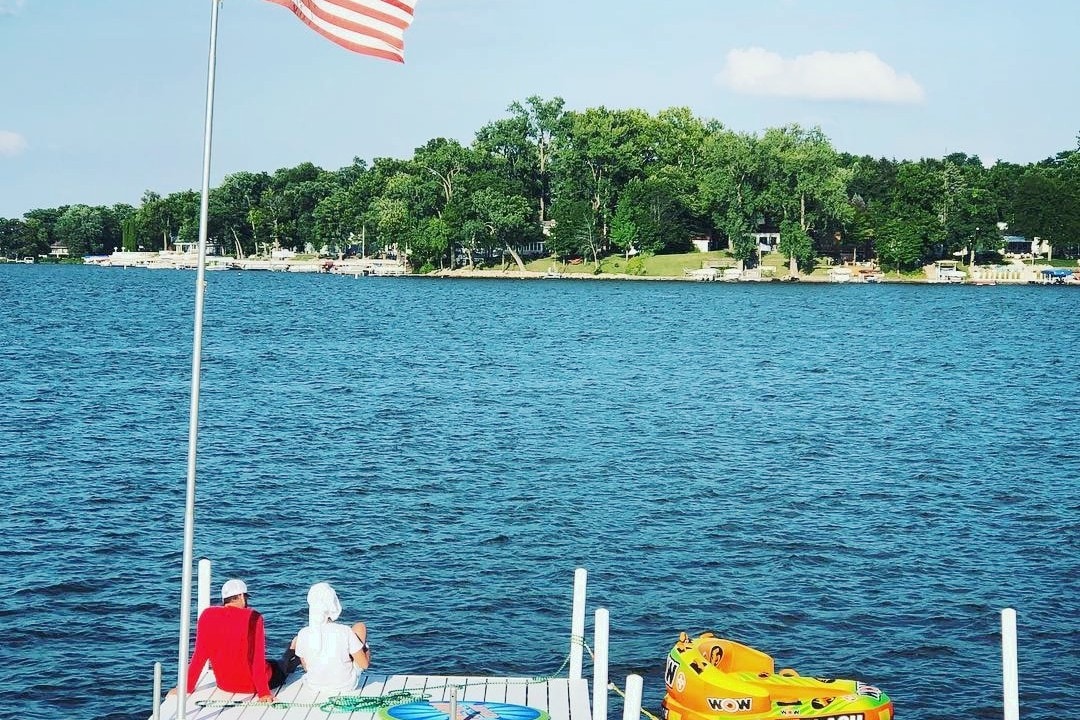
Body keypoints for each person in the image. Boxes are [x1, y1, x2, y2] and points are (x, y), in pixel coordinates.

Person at [179, 578, 288, 702]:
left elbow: (199, 656)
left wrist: (187, 687)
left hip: (225, 685)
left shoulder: (207, 615)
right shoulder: (254, 617)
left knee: (271, 662)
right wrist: (263, 693)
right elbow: (256, 659)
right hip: (251, 686)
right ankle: (292, 649)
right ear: (241, 596)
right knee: (282, 664)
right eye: (246, 597)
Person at [294, 582, 370, 692]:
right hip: (346, 685)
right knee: (359, 627)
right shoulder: (344, 631)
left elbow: (306, 667)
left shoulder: (303, 633)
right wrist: (366, 649)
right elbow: (365, 665)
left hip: (314, 685)